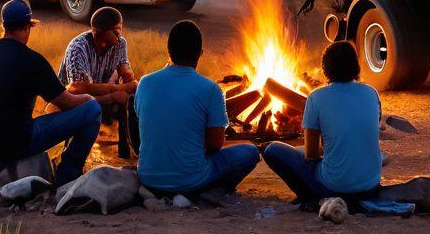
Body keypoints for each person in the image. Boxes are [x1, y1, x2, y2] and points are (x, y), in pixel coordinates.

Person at [0, 0, 101, 185]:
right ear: (28, 27)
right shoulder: (32, 60)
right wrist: (88, 97)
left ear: (4, 25)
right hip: (14, 144)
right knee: (93, 110)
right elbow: (66, 102)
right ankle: (68, 174)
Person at [135, 20, 259, 196]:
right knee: (250, 152)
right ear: (200, 53)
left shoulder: (145, 83)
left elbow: (145, 126)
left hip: (149, 178)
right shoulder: (211, 89)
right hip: (190, 180)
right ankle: (214, 189)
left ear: (168, 51)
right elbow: (215, 145)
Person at [263, 41, 382, 203]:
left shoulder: (316, 97)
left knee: (272, 150)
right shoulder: (371, 93)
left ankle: (310, 197)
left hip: (334, 185)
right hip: (371, 184)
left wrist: (327, 151)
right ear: (356, 65)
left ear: (325, 69)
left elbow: (311, 153)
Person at [58, 7, 137, 157]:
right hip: (70, 101)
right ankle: (69, 156)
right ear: (96, 31)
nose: (119, 34)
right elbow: (77, 88)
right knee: (111, 96)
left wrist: (129, 80)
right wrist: (116, 90)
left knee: (130, 99)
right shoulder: (77, 47)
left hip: (98, 96)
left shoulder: (120, 44)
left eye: (120, 29)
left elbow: (126, 74)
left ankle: (130, 149)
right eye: (115, 31)